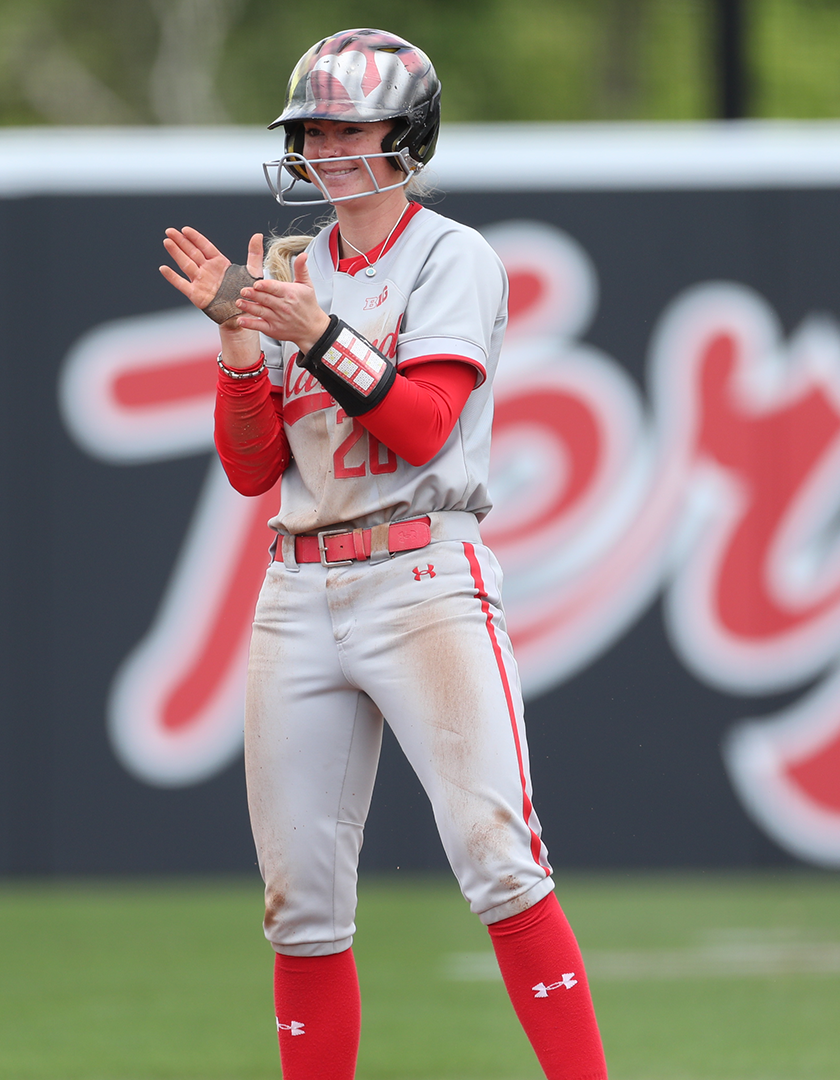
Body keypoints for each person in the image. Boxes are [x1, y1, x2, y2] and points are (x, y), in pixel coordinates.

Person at [157, 28, 607, 1080]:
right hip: (298, 586)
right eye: (313, 126)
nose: (326, 144)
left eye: (349, 124)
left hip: (422, 577)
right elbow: (252, 467)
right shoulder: (293, 270)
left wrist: (312, 333)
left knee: (499, 859)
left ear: (408, 135)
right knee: (299, 903)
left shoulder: (454, 257)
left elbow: (422, 428)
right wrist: (236, 347)